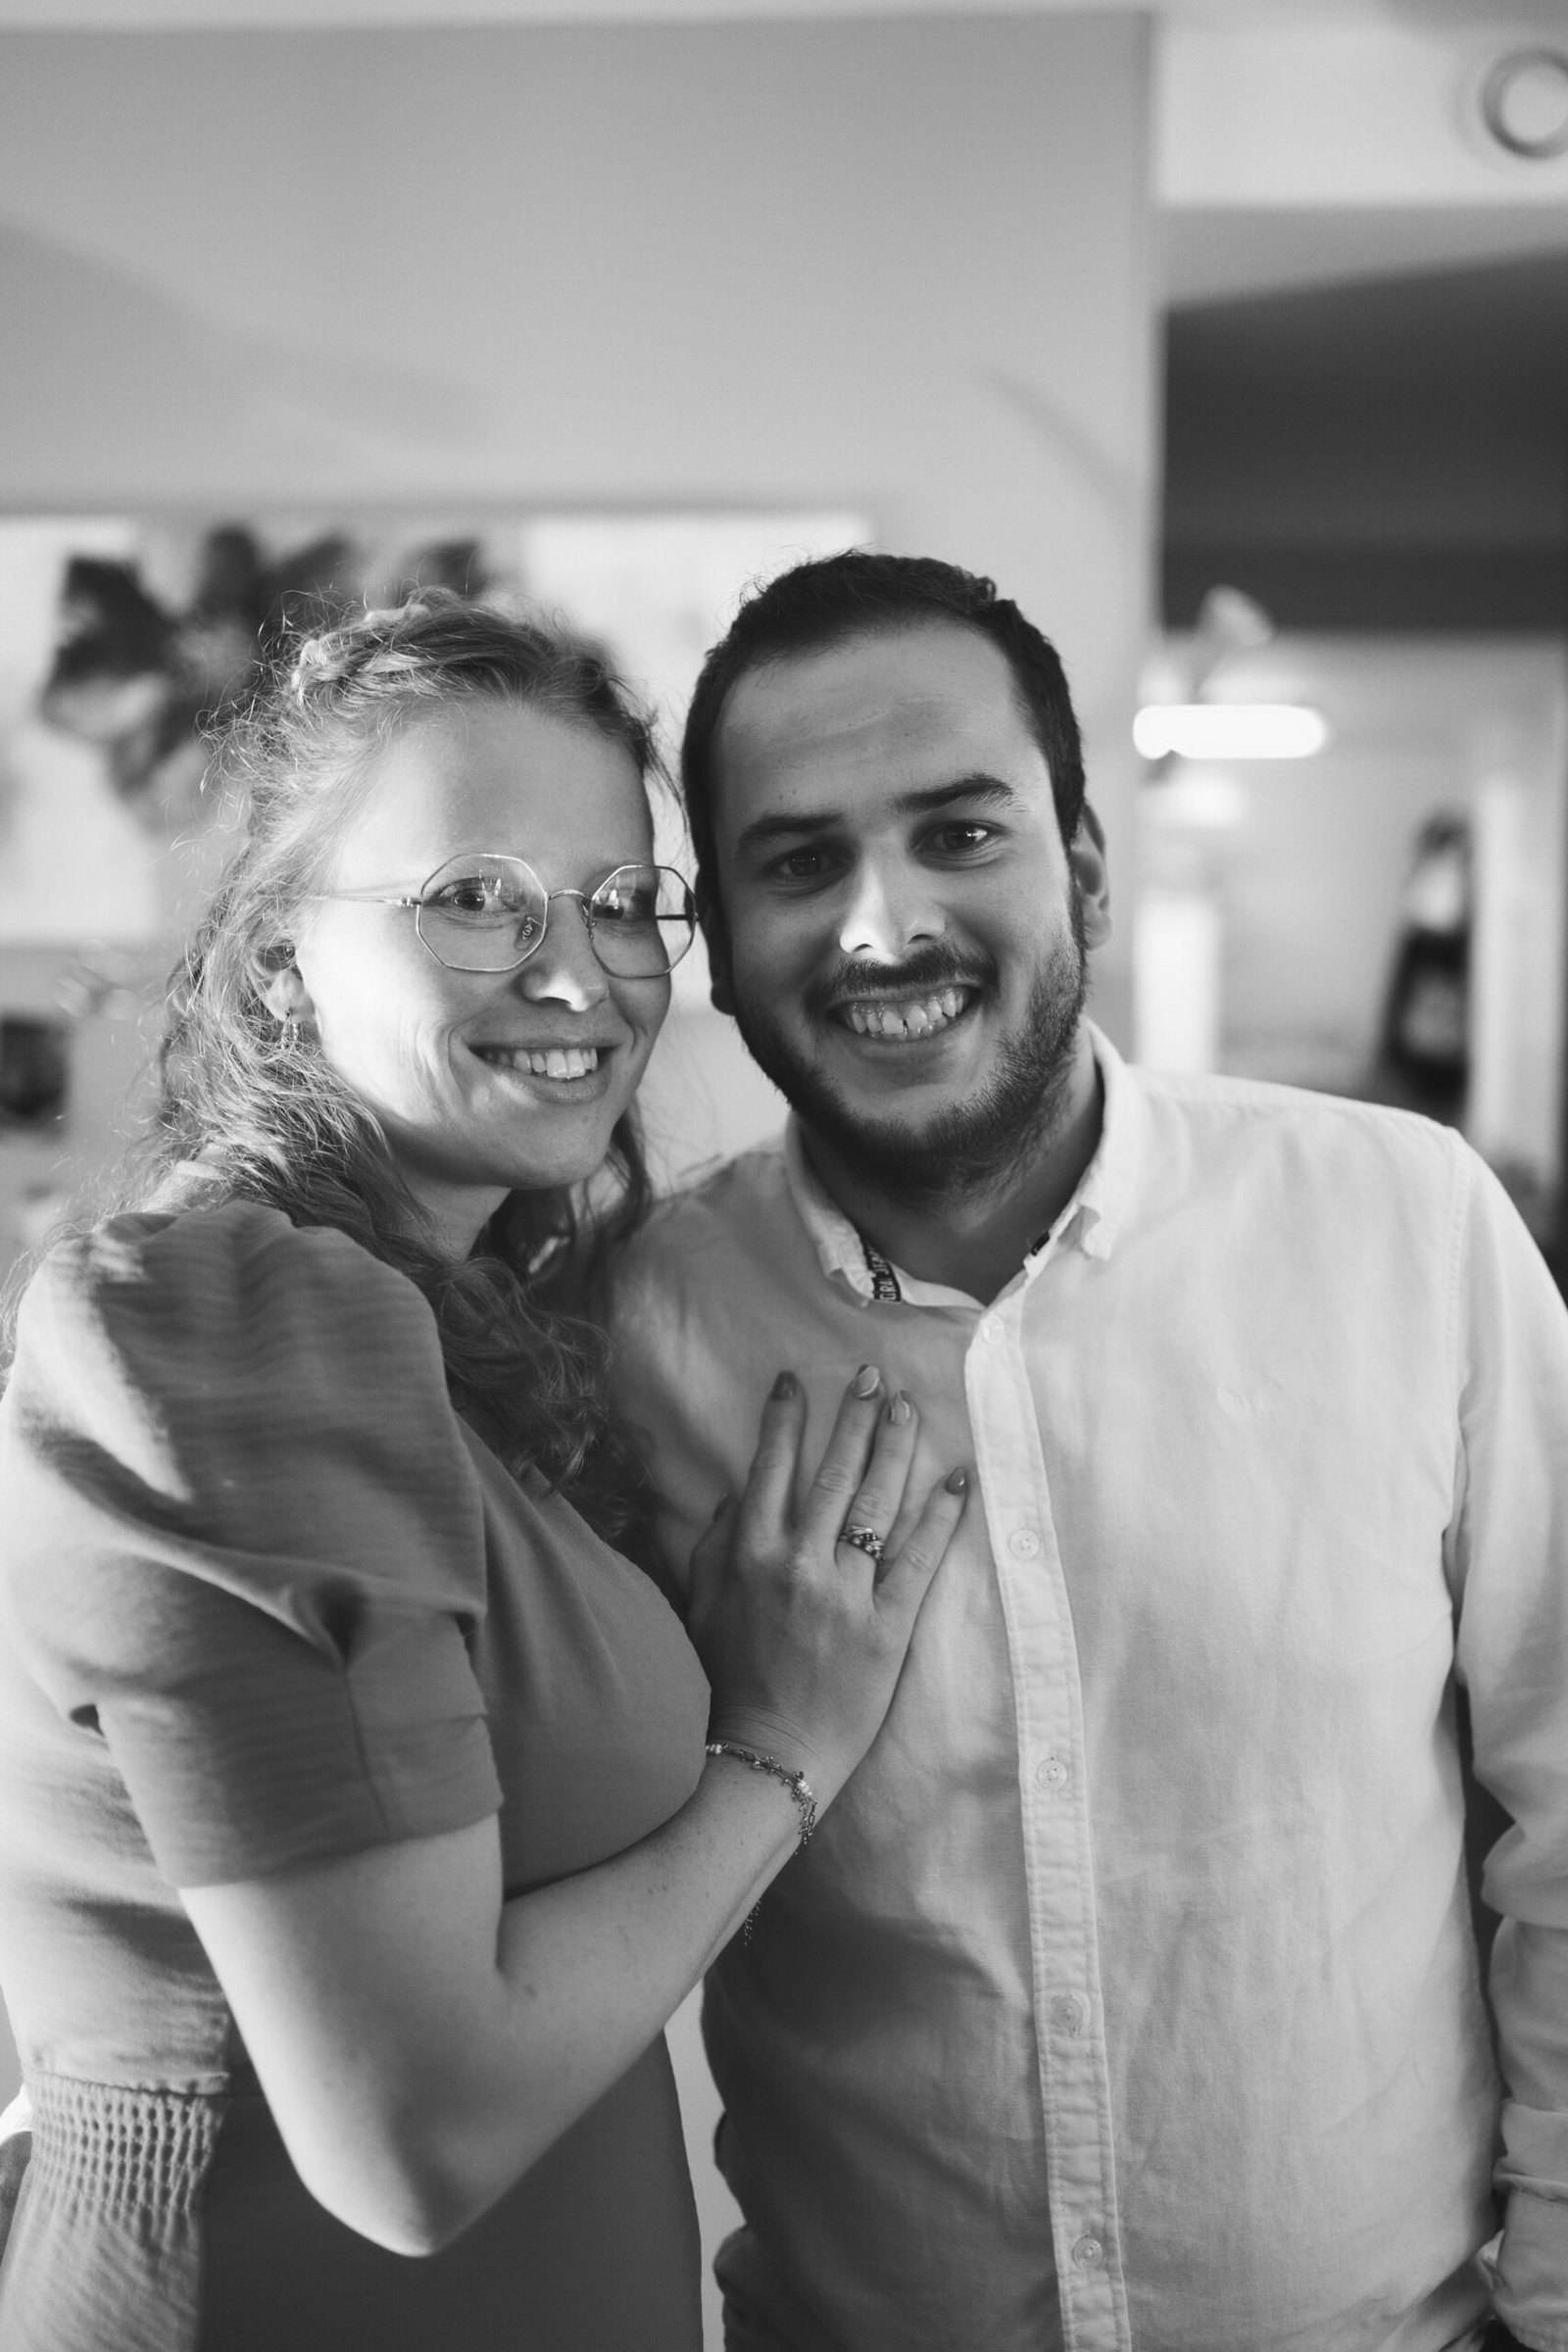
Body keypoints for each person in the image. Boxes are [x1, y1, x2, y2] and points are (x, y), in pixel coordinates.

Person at [609, 551, 1568, 2352]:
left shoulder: (1405, 1227)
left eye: (961, 834)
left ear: (1088, 869)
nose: (883, 926)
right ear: (717, 951)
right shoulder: (634, 1328)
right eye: (799, 862)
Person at [0, 593, 967, 2352]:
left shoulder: (461, 1326)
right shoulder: (241, 1311)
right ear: (277, 952)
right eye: (473, 898)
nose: (577, 974)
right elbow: (410, 2136)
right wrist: (787, 1746)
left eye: (622, 906)